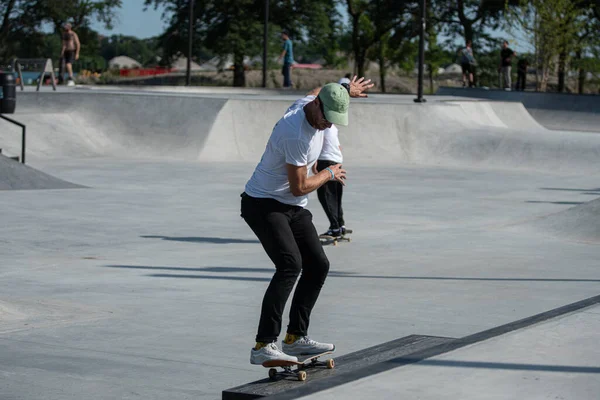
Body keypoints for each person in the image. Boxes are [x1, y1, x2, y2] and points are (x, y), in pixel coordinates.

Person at [242, 76, 373, 365]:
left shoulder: (312, 101)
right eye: (326, 118)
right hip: (263, 204)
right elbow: (298, 187)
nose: (327, 125)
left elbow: (317, 89)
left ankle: (296, 337)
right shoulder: (294, 132)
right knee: (290, 265)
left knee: (318, 265)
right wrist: (329, 173)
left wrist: (344, 88)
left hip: (291, 206)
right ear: (316, 107)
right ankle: (263, 344)